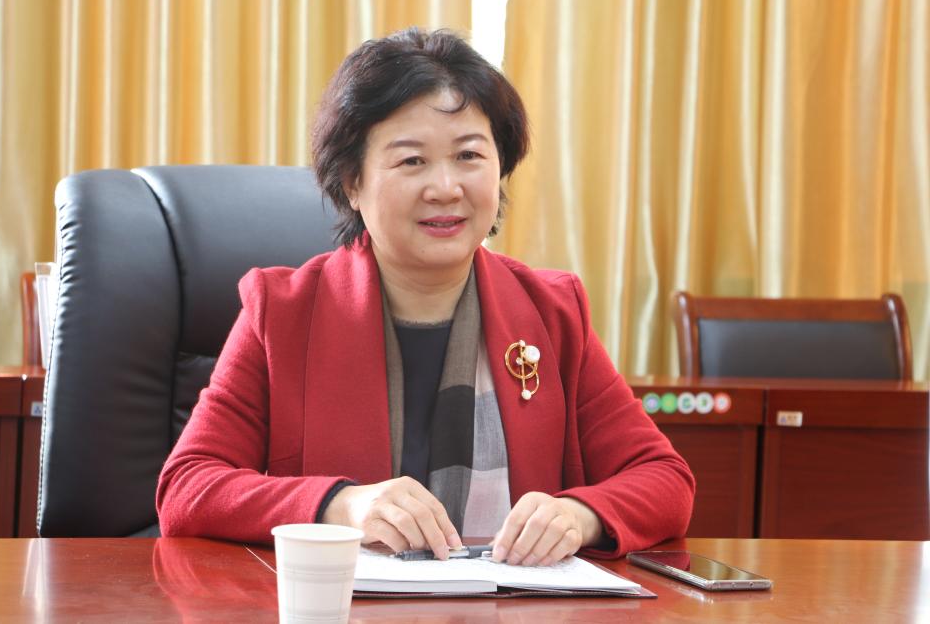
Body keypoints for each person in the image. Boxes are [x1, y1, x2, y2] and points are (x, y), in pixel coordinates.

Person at [156, 28, 694, 565]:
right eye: (412, 161)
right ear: (352, 182)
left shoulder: (551, 312)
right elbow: (187, 488)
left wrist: (578, 515)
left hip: (511, 601)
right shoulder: (282, 312)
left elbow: (664, 478)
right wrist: (339, 506)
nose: (446, 188)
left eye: (469, 156)